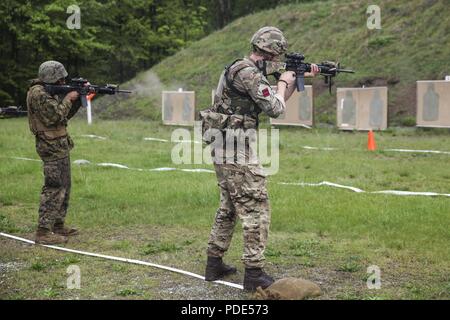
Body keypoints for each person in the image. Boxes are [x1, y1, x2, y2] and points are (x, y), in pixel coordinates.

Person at [203, 26, 319, 291]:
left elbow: (274, 105)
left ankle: (214, 263)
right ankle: (254, 273)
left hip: (224, 144)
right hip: (234, 147)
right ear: (270, 53)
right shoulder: (249, 74)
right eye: (277, 56)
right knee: (256, 205)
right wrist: (285, 80)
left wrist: (289, 82)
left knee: (229, 206)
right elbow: (276, 107)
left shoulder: (242, 68)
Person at [26, 61, 82, 245]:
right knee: (54, 187)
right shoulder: (38, 93)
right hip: (50, 147)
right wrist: (69, 98)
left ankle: (58, 226)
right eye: (60, 79)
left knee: (65, 186)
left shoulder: (48, 92)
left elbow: (64, 116)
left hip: (60, 145)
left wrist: (78, 98)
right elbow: (55, 116)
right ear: (52, 77)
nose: (62, 81)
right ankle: (43, 232)